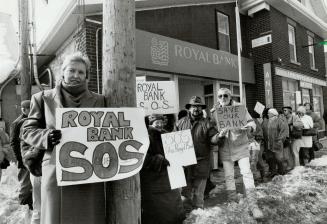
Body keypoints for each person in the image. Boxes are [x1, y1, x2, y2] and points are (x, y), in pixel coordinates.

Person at [22, 52, 106, 224]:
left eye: (81, 72)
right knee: (55, 217)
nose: (76, 75)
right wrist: (46, 137)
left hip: (89, 170)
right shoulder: (42, 98)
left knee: (88, 217)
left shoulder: (100, 100)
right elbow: (27, 130)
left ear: (86, 76)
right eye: (71, 70)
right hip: (55, 171)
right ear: (63, 72)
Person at [210, 88, 263, 219]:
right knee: (228, 175)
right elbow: (211, 130)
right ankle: (232, 200)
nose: (223, 98)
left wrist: (250, 127)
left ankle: (253, 205)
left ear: (230, 96)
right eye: (220, 96)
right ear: (217, 98)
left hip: (240, 145)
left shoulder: (239, 108)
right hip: (225, 147)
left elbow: (251, 122)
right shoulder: (214, 112)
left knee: (247, 173)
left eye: (225, 95)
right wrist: (218, 135)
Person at [175, 96, 219, 211]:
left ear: (202, 109)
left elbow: (213, 139)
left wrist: (219, 136)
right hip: (185, 166)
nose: (196, 109)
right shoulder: (180, 123)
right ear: (189, 108)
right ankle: (187, 218)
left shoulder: (207, 123)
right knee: (185, 195)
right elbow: (173, 143)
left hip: (202, 164)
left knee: (199, 196)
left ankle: (198, 218)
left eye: (199, 107)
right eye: (194, 106)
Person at [141, 114, 185, 224]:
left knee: (172, 209)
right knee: (159, 213)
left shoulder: (166, 134)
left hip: (169, 179)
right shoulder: (144, 137)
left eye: (162, 122)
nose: (160, 124)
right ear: (150, 123)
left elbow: (178, 154)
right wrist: (158, 159)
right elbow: (142, 158)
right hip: (154, 182)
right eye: (157, 122)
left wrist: (182, 156)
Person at [10, 100, 33, 210]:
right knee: (25, 184)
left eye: (28, 107)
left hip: (32, 157)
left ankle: (29, 204)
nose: (24, 110)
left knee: (32, 183)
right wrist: (20, 159)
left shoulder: (33, 120)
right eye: (24, 108)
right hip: (23, 157)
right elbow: (14, 142)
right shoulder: (17, 122)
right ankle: (23, 208)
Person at [267, 108, 289, 175]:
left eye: (269, 113)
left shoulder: (279, 120)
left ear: (273, 114)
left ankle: (281, 172)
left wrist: (280, 139)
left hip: (277, 143)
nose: (268, 114)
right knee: (272, 158)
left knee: (279, 158)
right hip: (270, 143)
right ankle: (273, 172)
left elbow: (284, 130)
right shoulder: (269, 121)